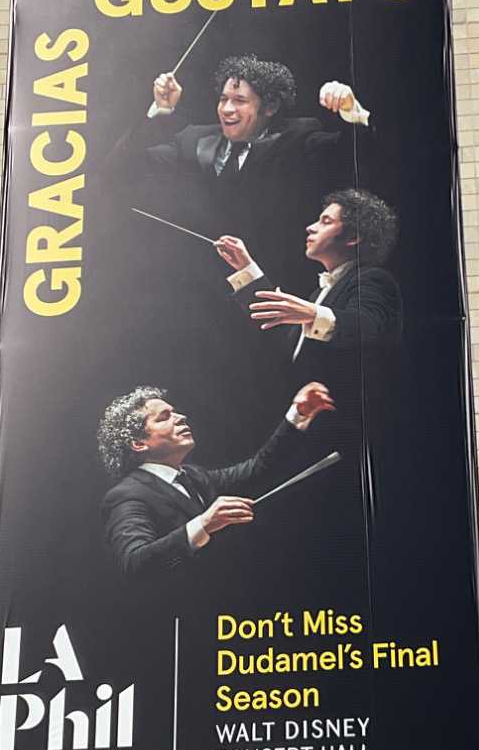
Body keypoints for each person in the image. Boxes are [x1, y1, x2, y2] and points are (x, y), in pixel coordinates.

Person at [96, 381, 335, 580]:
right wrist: (204, 524)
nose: (181, 417)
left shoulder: (194, 476)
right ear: (138, 443)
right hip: (184, 618)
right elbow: (135, 563)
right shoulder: (126, 495)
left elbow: (258, 469)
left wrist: (297, 415)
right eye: (164, 417)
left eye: (175, 412)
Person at [213, 189, 402, 364]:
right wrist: (246, 267)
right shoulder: (319, 294)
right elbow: (280, 332)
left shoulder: (374, 279)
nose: (310, 227)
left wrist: (313, 314)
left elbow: (370, 327)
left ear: (353, 236)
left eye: (326, 222)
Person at [118, 54, 363, 184]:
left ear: (270, 106)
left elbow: (360, 157)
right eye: (223, 99)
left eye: (240, 100)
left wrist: (351, 111)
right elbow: (122, 165)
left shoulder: (298, 139)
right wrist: (161, 111)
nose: (226, 109)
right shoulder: (193, 139)